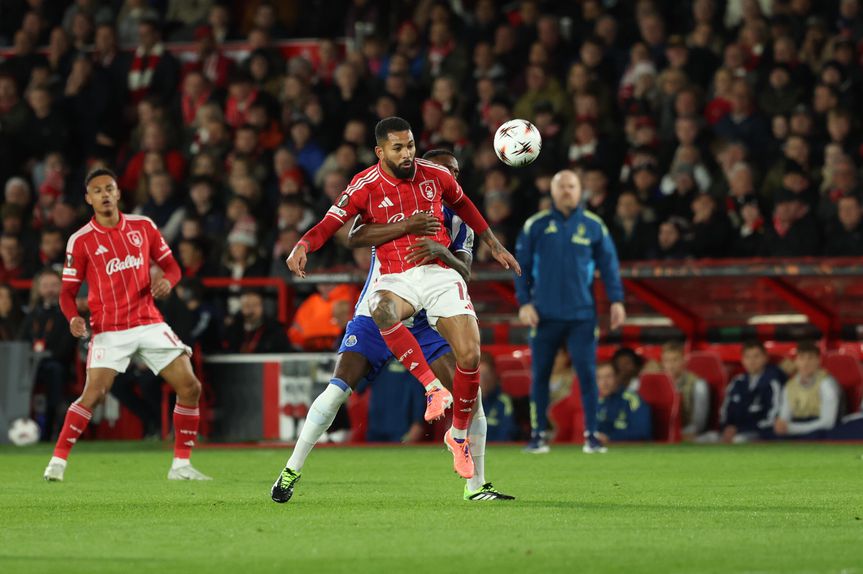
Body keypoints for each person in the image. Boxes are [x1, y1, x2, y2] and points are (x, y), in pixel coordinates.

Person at [272, 148, 514, 503]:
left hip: (425, 320)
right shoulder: (396, 201)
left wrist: (443, 252)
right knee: (337, 390)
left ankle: (476, 485)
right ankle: (291, 469)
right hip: (378, 312)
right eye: (444, 172)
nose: (450, 180)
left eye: (456, 174)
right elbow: (354, 233)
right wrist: (309, 242)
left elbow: (465, 272)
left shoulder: (461, 222)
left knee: (470, 393)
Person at [43, 167, 210, 482]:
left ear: (118, 193)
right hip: (110, 329)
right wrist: (73, 318)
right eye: (98, 190)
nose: (104, 194)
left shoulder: (143, 226)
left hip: (148, 321)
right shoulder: (80, 241)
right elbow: (66, 293)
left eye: (109, 188)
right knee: (93, 394)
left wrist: (169, 282)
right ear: (88, 198)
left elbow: (172, 267)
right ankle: (58, 461)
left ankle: (181, 466)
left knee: (190, 386)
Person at [514, 169, 626, 454]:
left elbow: (610, 266)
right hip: (544, 314)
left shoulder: (593, 226)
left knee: (588, 375)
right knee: (540, 375)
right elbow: (520, 267)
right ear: (552, 191)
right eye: (562, 186)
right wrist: (524, 302)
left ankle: (591, 434)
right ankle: (538, 435)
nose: (567, 191)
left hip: (582, 315)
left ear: (581, 190)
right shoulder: (535, 226)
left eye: (572, 186)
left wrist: (617, 300)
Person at [18, 269, 77, 440]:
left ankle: (51, 429)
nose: (50, 289)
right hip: (31, 366)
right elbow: (21, 341)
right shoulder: (32, 315)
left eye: (54, 285)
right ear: (38, 289)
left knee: (54, 370)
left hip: (58, 365)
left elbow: (67, 347)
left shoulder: (67, 314)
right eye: (45, 285)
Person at [719, 340, 786, 443]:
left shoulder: (773, 381)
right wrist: (727, 427)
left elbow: (773, 418)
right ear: (742, 360)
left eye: (756, 356)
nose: (752, 361)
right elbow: (725, 411)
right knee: (708, 438)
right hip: (733, 432)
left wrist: (740, 429)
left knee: (740, 440)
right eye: (748, 357)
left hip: (761, 434)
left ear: (765, 358)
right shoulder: (737, 382)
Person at [774, 342, 840, 439]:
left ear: (819, 360)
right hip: (797, 427)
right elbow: (784, 417)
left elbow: (827, 423)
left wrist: (792, 428)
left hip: (821, 431)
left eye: (810, 358)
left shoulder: (827, 384)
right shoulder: (790, 386)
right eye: (801, 358)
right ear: (796, 361)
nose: (806, 363)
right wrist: (782, 426)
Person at [660, 342, 710, 440]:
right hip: (662, 430)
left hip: (687, 430)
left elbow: (699, 420)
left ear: (684, 361)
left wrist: (691, 432)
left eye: (675, 360)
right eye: (666, 361)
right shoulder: (657, 382)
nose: (670, 365)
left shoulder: (697, 384)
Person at [595, 362, 652, 444]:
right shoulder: (599, 402)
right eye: (599, 378)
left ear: (617, 377)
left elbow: (642, 432)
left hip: (633, 451)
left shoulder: (632, 400)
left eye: (608, 376)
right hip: (607, 450)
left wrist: (610, 438)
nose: (604, 382)